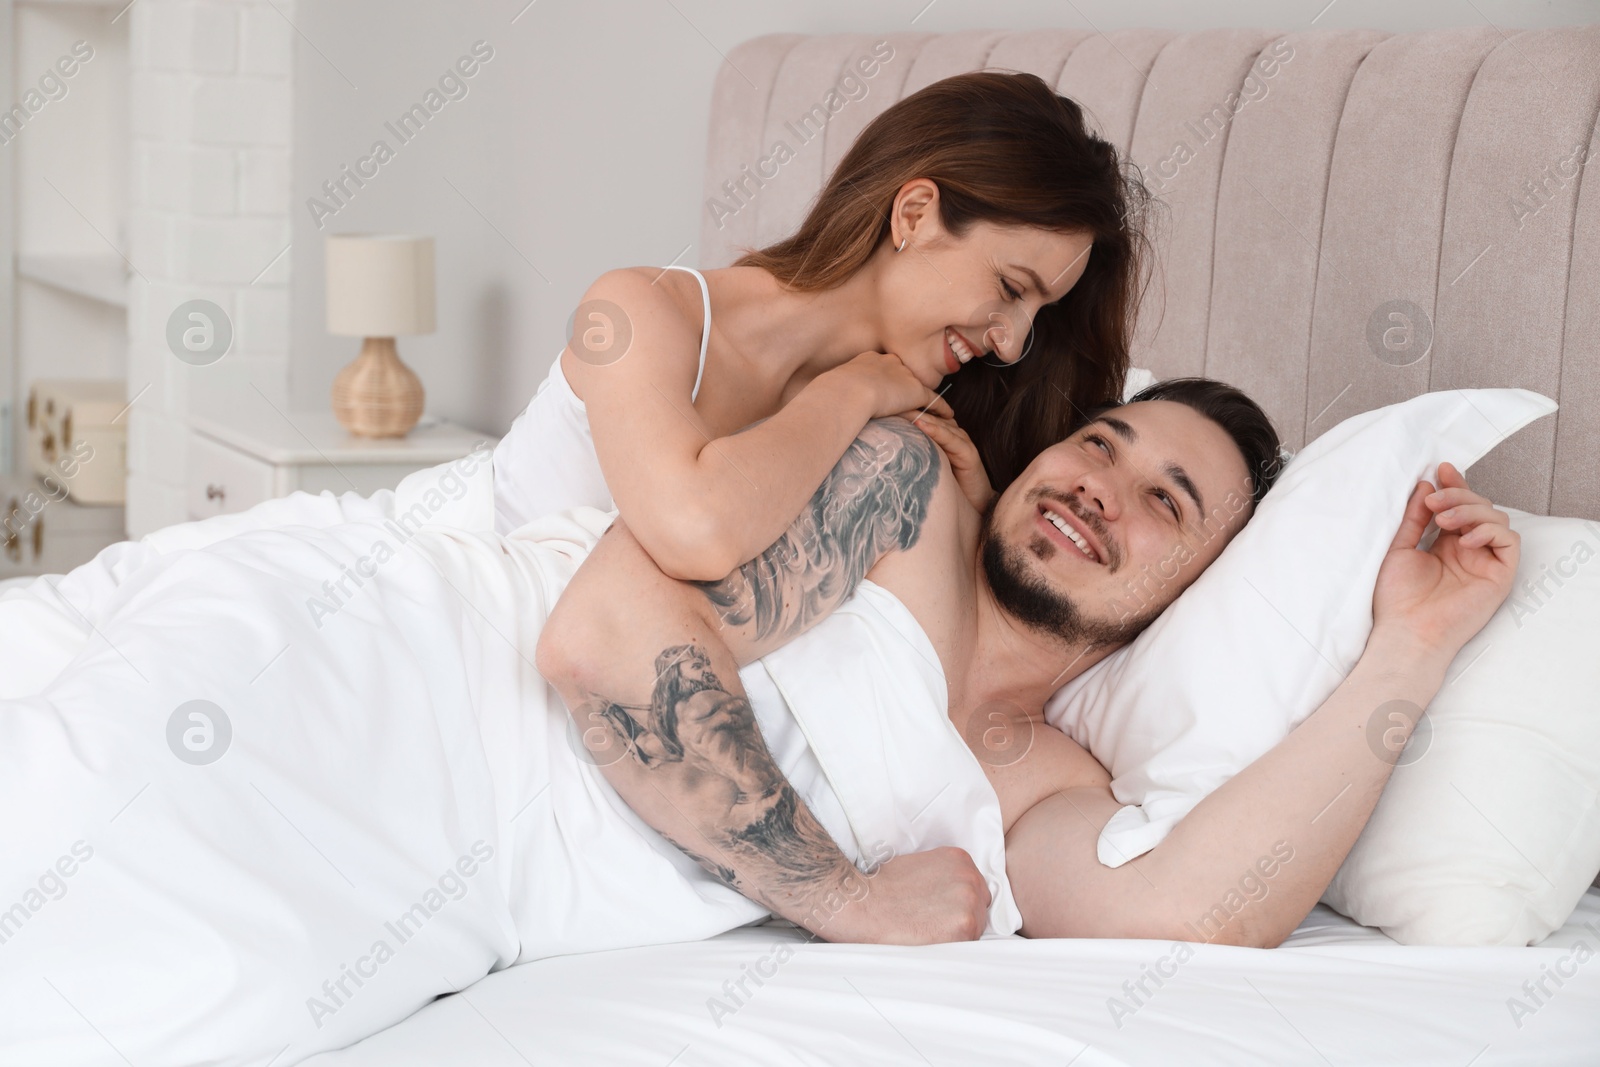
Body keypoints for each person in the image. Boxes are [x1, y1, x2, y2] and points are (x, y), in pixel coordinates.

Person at [536, 377, 1520, 947]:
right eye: (1099, 442)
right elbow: (601, 641)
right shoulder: (897, 491)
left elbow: (1195, 910)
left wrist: (1412, 645)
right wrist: (844, 895)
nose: (1098, 487)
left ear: (1196, 593)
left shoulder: (1041, 783)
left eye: (1163, 502)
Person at [491, 69, 1154, 579]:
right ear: (916, 212)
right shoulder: (639, 309)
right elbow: (693, 530)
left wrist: (982, 520)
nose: (1010, 342)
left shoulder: (923, 429)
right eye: (1010, 288)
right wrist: (855, 389)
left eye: (1035, 318)